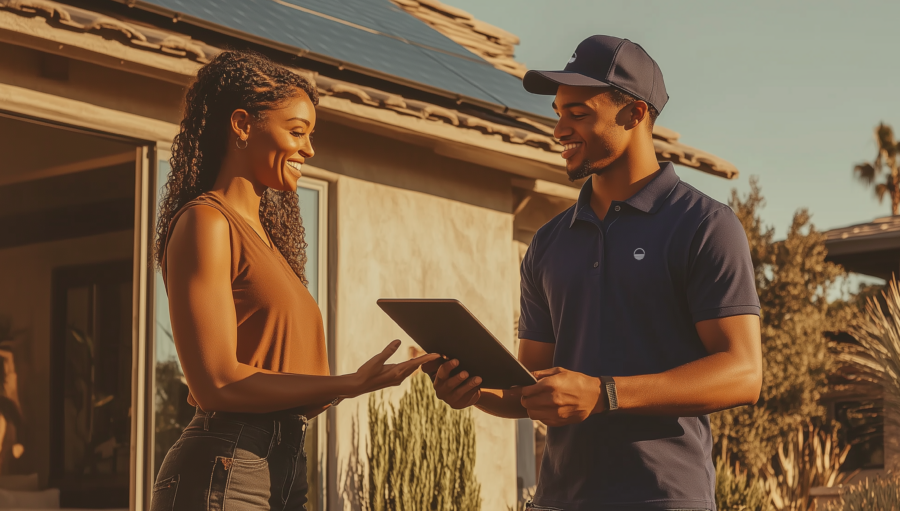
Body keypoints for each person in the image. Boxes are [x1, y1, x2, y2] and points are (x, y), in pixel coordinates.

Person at [426, 36, 762, 511]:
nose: (559, 129)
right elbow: (529, 389)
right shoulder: (548, 243)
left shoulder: (704, 225)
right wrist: (473, 390)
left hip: (663, 499)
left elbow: (743, 373)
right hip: (560, 500)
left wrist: (605, 394)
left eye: (578, 114)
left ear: (635, 114)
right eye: (558, 112)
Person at [151, 50, 437, 511]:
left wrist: (363, 381)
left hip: (282, 466)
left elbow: (294, 389)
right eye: (297, 132)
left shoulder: (268, 243)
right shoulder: (207, 222)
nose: (309, 149)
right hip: (226, 469)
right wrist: (347, 382)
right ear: (242, 125)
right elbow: (216, 384)